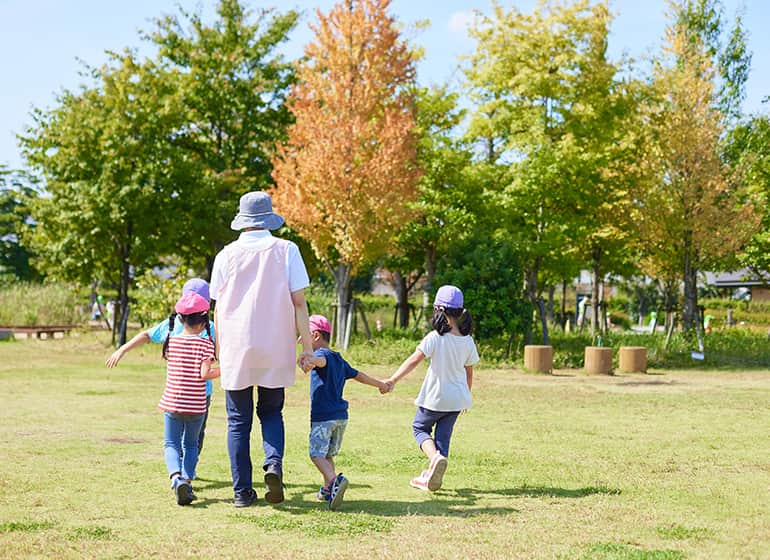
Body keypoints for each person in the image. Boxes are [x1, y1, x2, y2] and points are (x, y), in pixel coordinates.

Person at [210, 191, 314, 508]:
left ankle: (242, 492)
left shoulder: (226, 255)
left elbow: (217, 308)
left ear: (242, 221)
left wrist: (217, 352)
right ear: (269, 219)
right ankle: (273, 464)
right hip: (276, 344)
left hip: (237, 347)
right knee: (271, 411)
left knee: (237, 421)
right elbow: (300, 304)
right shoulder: (287, 250)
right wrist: (307, 349)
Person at [105, 279, 216, 455]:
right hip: (201, 395)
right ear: (207, 304)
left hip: (176, 392)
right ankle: (186, 470)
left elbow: (146, 335)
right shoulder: (209, 327)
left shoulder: (173, 324)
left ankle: (179, 470)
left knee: (176, 437)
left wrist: (122, 349)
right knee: (194, 438)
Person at [387, 285, 479, 492]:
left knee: (419, 428)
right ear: (461, 312)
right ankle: (431, 476)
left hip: (435, 398)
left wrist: (393, 379)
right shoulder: (467, 341)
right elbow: (469, 373)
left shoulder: (435, 338)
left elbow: (414, 360)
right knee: (443, 437)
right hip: (456, 400)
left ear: (438, 310)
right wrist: (466, 396)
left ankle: (434, 458)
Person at [302, 314, 390, 510]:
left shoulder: (322, 356)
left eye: (304, 336)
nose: (301, 341)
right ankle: (327, 489)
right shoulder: (339, 359)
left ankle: (334, 481)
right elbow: (360, 375)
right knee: (327, 455)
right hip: (340, 417)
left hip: (323, 417)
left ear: (315, 336)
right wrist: (381, 384)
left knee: (316, 455)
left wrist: (310, 360)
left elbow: (319, 361)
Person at [158, 292, 220, 506]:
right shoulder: (205, 345)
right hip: (196, 405)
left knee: (171, 443)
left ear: (181, 319)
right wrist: (225, 369)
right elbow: (205, 374)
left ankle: (176, 478)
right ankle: (186, 480)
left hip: (172, 403)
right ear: (204, 321)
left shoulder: (172, 342)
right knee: (191, 445)